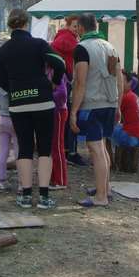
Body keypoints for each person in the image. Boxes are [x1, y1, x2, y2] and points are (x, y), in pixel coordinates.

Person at [0, 9, 66, 210]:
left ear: (10, 25)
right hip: (43, 101)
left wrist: (14, 89)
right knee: (44, 148)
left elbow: (0, 79)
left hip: (18, 104)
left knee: (24, 148)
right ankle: (44, 196)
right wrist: (54, 82)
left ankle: (26, 196)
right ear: (27, 24)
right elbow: (60, 63)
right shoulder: (39, 44)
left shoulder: (4, 50)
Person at [70, 13, 123, 208]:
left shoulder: (82, 48)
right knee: (102, 147)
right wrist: (118, 105)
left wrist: (73, 111)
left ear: (81, 28)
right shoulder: (110, 47)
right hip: (109, 103)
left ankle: (101, 197)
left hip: (92, 105)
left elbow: (81, 82)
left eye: (77, 27)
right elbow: (119, 80)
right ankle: (105, 188)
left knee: (96, 149)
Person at [51, 15, 87, 167]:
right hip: (66, 83)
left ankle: (67, 150)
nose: (76, 29)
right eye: (74, 26)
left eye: (78, 26)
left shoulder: (66, 37)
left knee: (66, 118)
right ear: (68, 26)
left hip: (65, 81)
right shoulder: (66, 38)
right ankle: (70, 152)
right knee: (69, 117)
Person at [110, 71, 139, 148]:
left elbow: (112, 116)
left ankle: (104, 153)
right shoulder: (133, 95)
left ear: (130, 83)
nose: (118, 84)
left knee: (103, 127)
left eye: (121, 81)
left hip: (131, 138)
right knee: (116, 126)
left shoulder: (124, 97)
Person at [49, 67, 69, 190]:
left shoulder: (55, 71)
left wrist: (46, 95)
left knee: (57, 146)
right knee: (52, 146)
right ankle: (53, 177)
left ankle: (60, 180)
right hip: (52, 112)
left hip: (59, 112)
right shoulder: (47, 70)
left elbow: (62, 94)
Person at [0, 86, 18, 191]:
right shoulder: (15, 83)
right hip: (15, 119)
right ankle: (22, 182)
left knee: (3, 151)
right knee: (19, 152)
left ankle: (1, 181)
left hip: (2, 119)